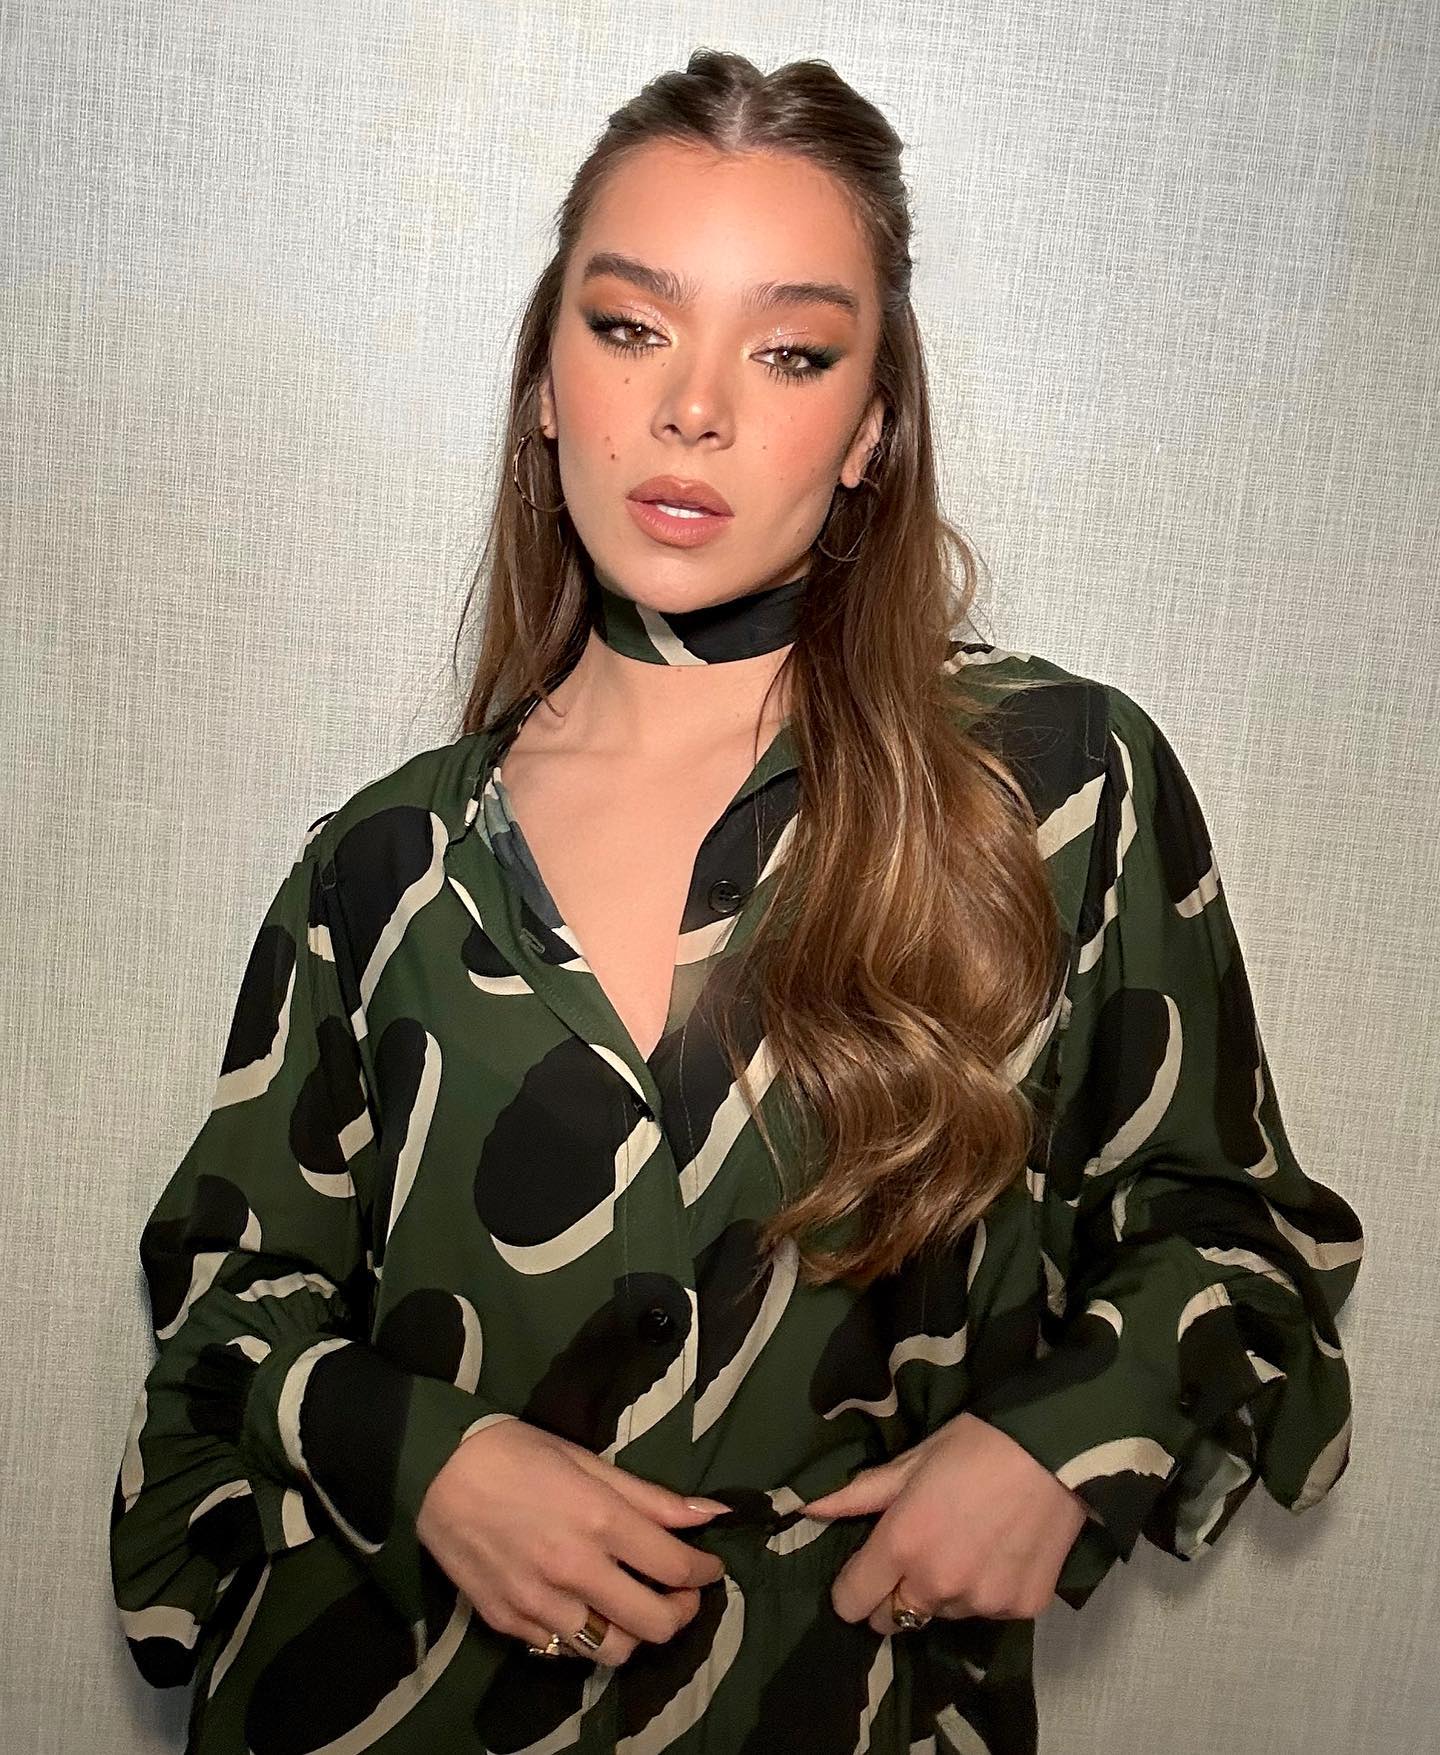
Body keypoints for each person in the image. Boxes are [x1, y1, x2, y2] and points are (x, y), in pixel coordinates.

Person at [108, 48, 1365, 1755]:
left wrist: (1053, 1443)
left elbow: (1238, 1234)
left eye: (790, 352)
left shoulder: (1053, 789)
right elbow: (225, 1302)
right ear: (545, 384)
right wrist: (435, 1461)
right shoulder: (381, 863)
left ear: (871, 430)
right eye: (631, 327)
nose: (693, 408)